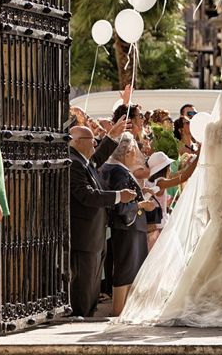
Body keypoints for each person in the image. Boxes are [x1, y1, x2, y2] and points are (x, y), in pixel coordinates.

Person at [118, 81, 222, 327]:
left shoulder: (211, 129)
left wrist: (210, 194)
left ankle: (201, 293)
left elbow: (206, 166)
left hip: (220, 191)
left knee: (219, 238)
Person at [68, 117, 137, 317]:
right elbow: (86, 195)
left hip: (95, 233)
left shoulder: (83, 160)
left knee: (92, 278)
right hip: (84, 235)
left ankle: (87, 311)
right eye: (91, 139)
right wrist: (119, 196)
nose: (94, 142)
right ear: (77, 141)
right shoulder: (73, 162)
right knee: (84, 279)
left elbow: (97, 158)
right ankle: (80, 314)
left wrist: (112, 136)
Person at [100, 133, 157, 316]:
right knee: (125, 271)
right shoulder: (119, 171)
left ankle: (124, 311)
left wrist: (141, 194)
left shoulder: (115, 169)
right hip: (127, 228)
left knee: (130, 270)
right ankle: (118, 311)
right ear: (128, 151)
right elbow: (120, 204)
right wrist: (141, 204)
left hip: (129, 228)